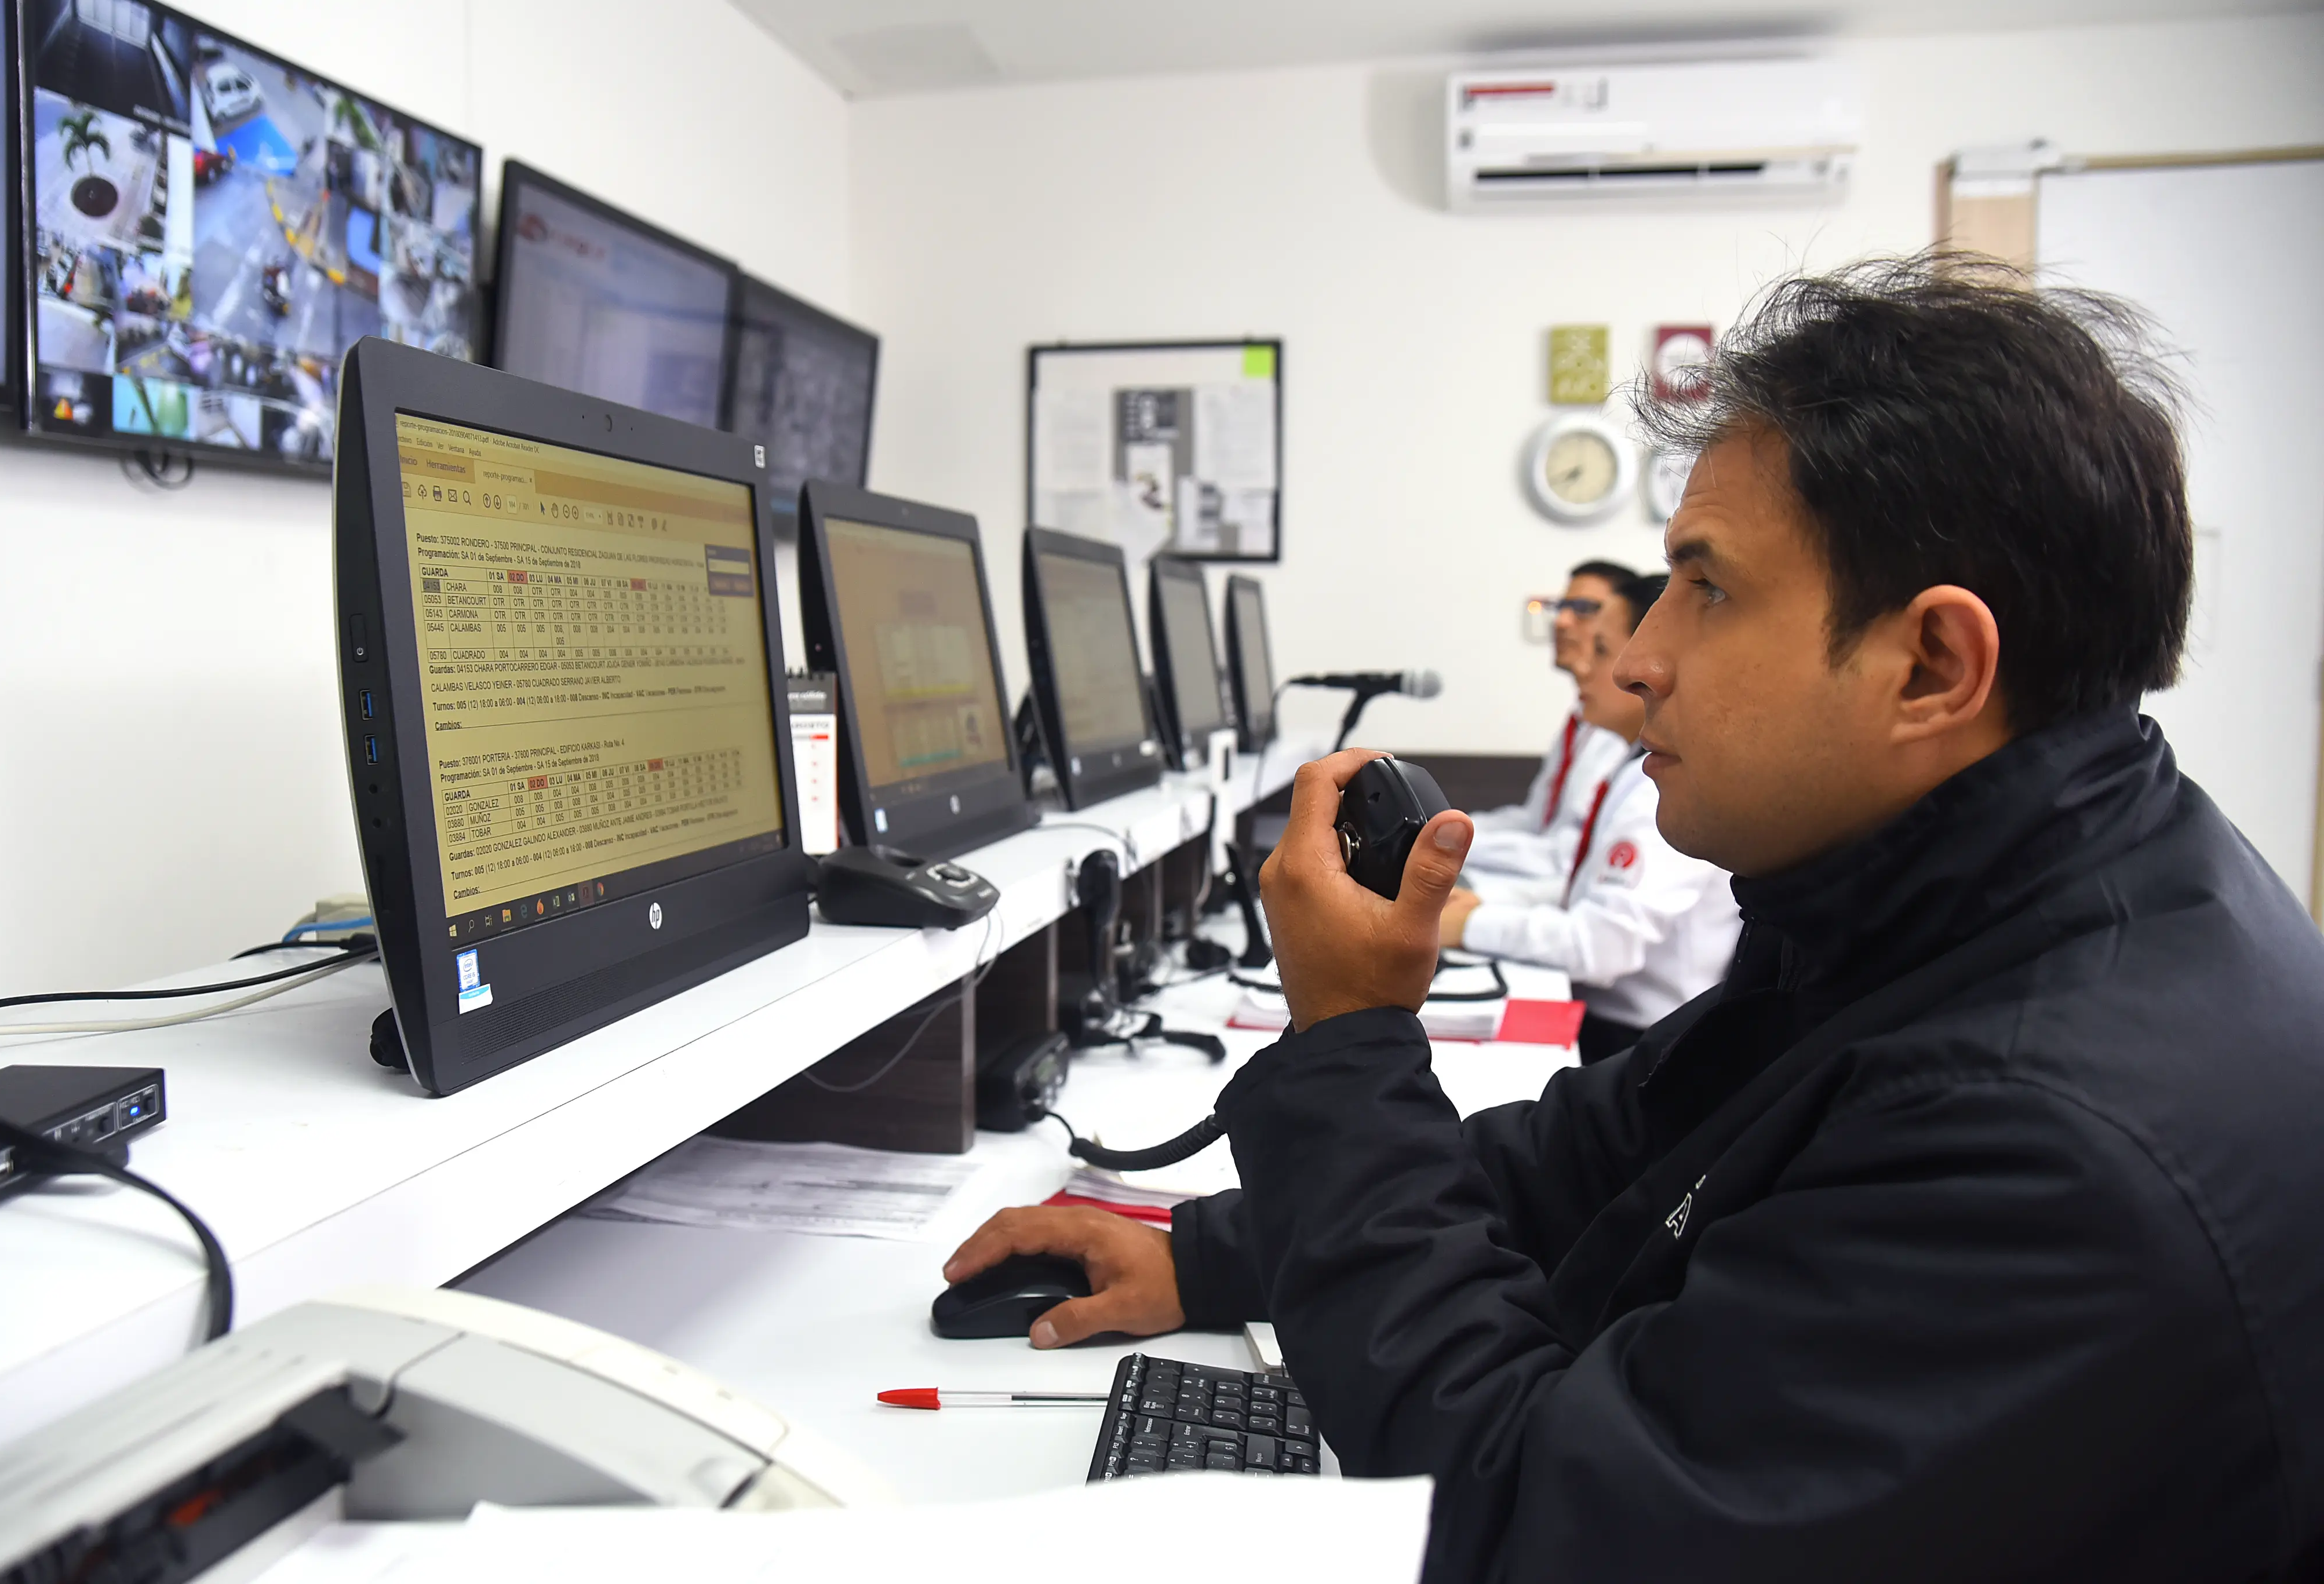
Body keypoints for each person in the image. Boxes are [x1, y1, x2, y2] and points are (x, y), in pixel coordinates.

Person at [944, 257, 2324, 1579]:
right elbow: (1613, 1154)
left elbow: (1532, 1527)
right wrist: (1209, 1251)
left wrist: (1351, 1041)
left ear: (1933, 663)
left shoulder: (2045, 1138)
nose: (1642, 658)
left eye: (1709, 588)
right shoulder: (1973, 896)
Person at [1445, 572, 1737, 1060]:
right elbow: (1579, 888)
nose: (1583, 666)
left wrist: (1471, 924)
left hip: (1644, 1044)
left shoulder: (1667, 788)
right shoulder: (1633, 768)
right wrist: (1474, 907)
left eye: (1602, 652)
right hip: (1609, 1020)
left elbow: (1604, 947)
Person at [1465, 561, 1640, 890]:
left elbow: (1569, 855)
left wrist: (1451, 844)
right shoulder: (1582, 717)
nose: (1561, 622)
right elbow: (1537, 822)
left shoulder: (1625, 728)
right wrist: (1446, 829)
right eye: (1561, 607)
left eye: (1584, 609)